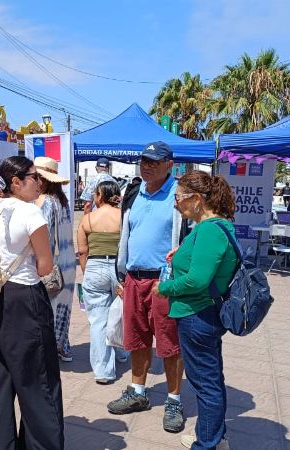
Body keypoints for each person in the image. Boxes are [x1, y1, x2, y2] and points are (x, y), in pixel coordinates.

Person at [0, 156, 63, 449]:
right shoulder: (31, 214)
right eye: (35, 177)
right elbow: (45, 266)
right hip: (24, 299)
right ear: (16, 182)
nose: (40, 183)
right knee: (38, 383)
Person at [154, 171, 238, 450]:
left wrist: (164, 288)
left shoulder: (210, 230)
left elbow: (197, 280)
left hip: (197, 316)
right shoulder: (214, 228)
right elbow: (203, 261)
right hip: (204, 314)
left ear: (198, 200)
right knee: (211, 380)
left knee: (205, 385)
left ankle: (207, 444)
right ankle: (215, 436)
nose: (175, 203)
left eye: (178, 197)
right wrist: (181, 252)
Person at [109, 141, 186, 434]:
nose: (147, 165)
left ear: (170, 163)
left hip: (165, 281)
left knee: (169, 344)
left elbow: (190, 234)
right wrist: (121, 273)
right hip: (133, 278)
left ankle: (174, 400)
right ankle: (137, 392)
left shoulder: (179, 195)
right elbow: (126, 234)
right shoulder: (133, 192)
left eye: (154, 161)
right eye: (144, 160)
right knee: (137, 340)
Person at [77, 180, 129, 384]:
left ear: (99, 196)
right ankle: (122, 352)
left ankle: (103, 371)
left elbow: (82, 250)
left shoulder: (88, 219)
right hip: (118, 267)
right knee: (121, 312)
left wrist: (86, 270)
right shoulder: (124, 217)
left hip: (95, 267)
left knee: (98, 320)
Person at [34, 156, 77, 363]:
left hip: (51, 266)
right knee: (62, 307)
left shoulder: (45, 202)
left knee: (46, 309)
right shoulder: (62, 200)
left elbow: (45, 239)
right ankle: (62, 346)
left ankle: (48, 351)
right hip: (67, 265)